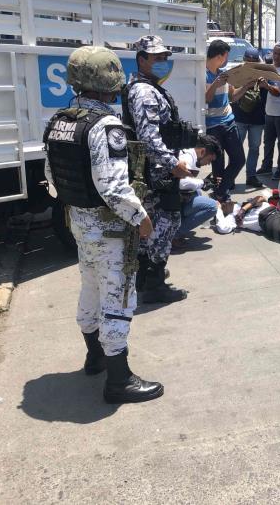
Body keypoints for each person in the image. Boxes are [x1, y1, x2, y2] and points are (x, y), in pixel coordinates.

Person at [43, 46, 163, 404]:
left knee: (90, 287)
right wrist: (140, 218)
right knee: (118, 295)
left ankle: (94, 357)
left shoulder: (60, 120)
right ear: (108, 82)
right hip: (108, 227)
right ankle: (119, 380)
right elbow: (112, 187)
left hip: (78, 221)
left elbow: (51, 180)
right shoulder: (105, 124)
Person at [124, 35, 192, 304]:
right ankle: (154, 285)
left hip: (153, 171)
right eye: (157, 58)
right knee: (165, 225)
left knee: (150, 227)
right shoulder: (143, 91)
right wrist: (172, 164)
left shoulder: (149, 86)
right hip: (157, 174)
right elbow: (149, 138)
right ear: (142, 60)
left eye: (166, 58)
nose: (164, 62)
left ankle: (144, 279)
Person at [205, 39, 255, 201]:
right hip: (213, 126)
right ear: (220, 56)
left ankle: (220, 190)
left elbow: (233, 97)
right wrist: (214, 84)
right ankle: (221, 196)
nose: (227, 59)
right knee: (218, 166)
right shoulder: (202, 73)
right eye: (226, 56)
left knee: (239, 159)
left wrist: (246, 86)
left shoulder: (224, 73)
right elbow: (205, 99)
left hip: (229, 122)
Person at [231, 47, 272, 190]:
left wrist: (265, 85)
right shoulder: (236, 73)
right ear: (244, 60)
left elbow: (275, 92)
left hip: (258, 119)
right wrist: (246, 84)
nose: (250, 63)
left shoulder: (264, 73)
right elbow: (232, 96)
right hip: (239, 117)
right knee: (236, 149)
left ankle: (251, 176)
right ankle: (231, 177)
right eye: (248, 60)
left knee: (254, 148)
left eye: (253, 61)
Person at [175, 134, 222, 244]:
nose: (209, 163)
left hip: (176, 198)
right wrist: (202, 183)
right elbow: (181, 182)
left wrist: (204, 182)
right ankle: (174, 234)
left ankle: (177, 225)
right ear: (202, 152)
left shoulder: (189, 154)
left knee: (198, 192)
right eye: (210, 159)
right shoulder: (186, 157)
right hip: (171, 199)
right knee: (212, 206)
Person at [258, 42, 280, 179]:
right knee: (268, 142)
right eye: (275, 53)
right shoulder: (268, 68)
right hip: (269, 112)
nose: (276, 56)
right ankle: (266, 166)